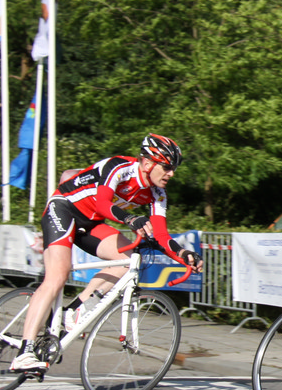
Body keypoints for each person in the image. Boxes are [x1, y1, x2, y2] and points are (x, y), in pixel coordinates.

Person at [11, 134, 204, 372]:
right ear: (147, 163)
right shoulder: (120, 167)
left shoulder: (158, 194)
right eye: (166, 167)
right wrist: (130, 219)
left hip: (90, 223)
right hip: (64, 208)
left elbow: (162, 235)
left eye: (173, 168)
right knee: (57, 276)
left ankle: (73, 311)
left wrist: (183, 254)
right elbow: (103, 204)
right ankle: (25, 352)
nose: (171, 174)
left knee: (128, 259)